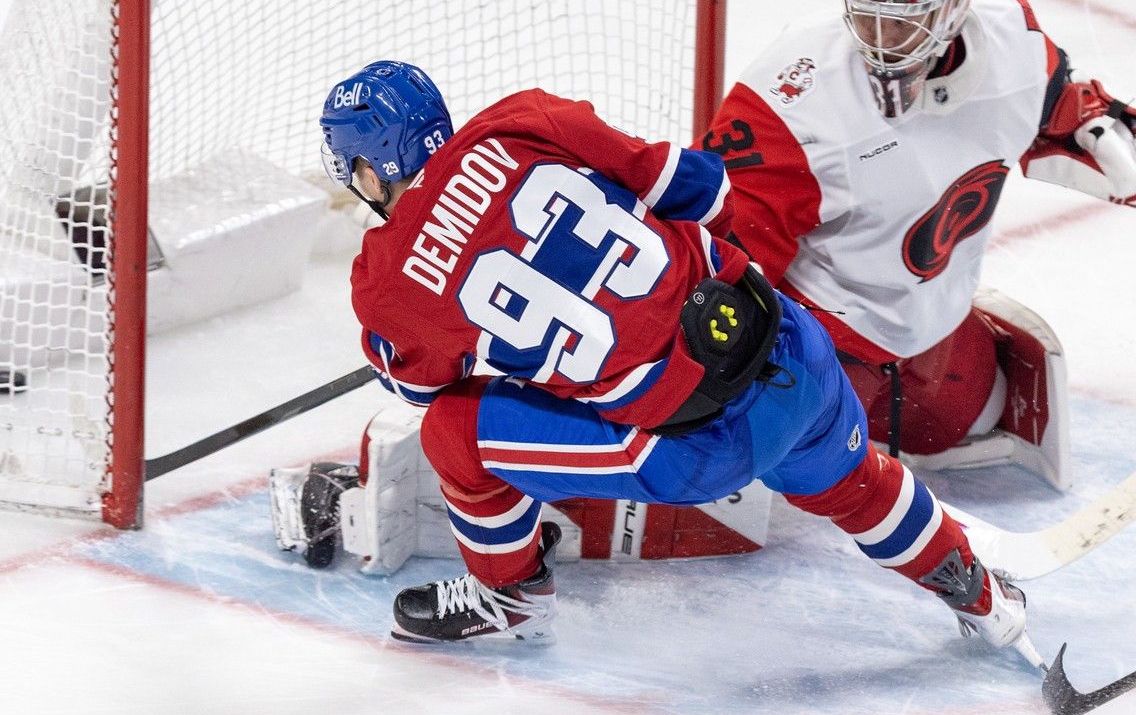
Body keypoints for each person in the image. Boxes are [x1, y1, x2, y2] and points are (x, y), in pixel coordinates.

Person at [303, 59, 1029, 652]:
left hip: (695, 448)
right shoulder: (522, 120)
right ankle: (984, 597)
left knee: (453, 436)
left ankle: (512, 597)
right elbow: (706, 191)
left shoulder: (383, 283)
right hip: (793, 346)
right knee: (854, 484)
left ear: (369, 172)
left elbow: (428, 392)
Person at [693, 0, 1136, 469]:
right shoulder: (795, 92)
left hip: (932, 328)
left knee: (970, 417)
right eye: (869, 19)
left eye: (901, 23)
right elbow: (724, 239)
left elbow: (1048, 113)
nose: (880, 42)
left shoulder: (1012, 37)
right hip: (820, 340)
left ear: (953, 7)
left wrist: (1089, 125)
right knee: (771, 454)